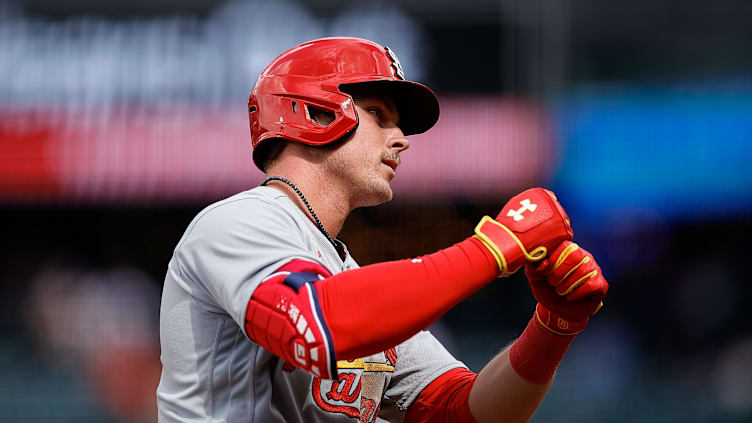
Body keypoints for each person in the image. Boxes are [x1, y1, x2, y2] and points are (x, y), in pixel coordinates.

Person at [157, 37, 608, 423]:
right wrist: (493, 248)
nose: (401, 138)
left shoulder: (346, 276)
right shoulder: (238, 222)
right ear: (313, 114)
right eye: (379, 114)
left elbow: (458, 411)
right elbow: (315, 326)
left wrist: (552, 329)